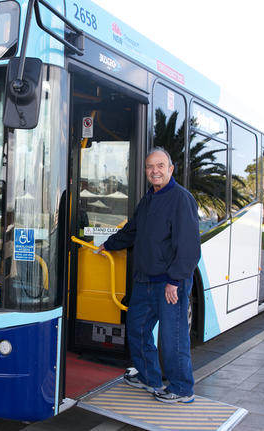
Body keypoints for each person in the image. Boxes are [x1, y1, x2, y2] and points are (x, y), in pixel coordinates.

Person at [98, 147, 201, 403]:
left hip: (169, 283)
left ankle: (181, 388)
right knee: (137, 329)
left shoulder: (181, 198)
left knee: (172, 338)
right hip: (144, 280)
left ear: (170, 169)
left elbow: (189, 247)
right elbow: (132, 231)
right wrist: (108, 244)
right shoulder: (149, 199)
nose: (155, 171)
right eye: (150, 167)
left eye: (160, 166)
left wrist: (175, 281)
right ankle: (148, 378)